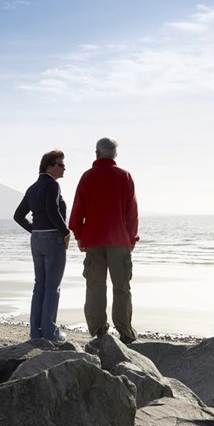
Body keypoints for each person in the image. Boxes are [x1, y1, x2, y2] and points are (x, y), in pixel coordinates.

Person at [69, 137, 139, 344]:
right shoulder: (124, 176)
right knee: (122, 287)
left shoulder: (88, 177)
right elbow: (132, 212)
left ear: (97, 153)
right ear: (115, 155)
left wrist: (79, 235)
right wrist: (132, 238)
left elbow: (78, 209)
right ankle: (125, 332)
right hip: (119, 241)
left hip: (94, 240)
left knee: (95, 286)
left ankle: (99, 330)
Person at [13, 149, 71, 341]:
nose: (64, 168)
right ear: (49, 166)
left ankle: (35, 333)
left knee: (40, 285)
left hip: (37, 240)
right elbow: (53, 211)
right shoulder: (52, 185)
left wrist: (35, 230)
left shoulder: (32, 188)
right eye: (60, 164)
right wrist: (65, 232)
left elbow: (18, 216)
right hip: (52, 238)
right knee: (52, 287)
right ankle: (50, 332)